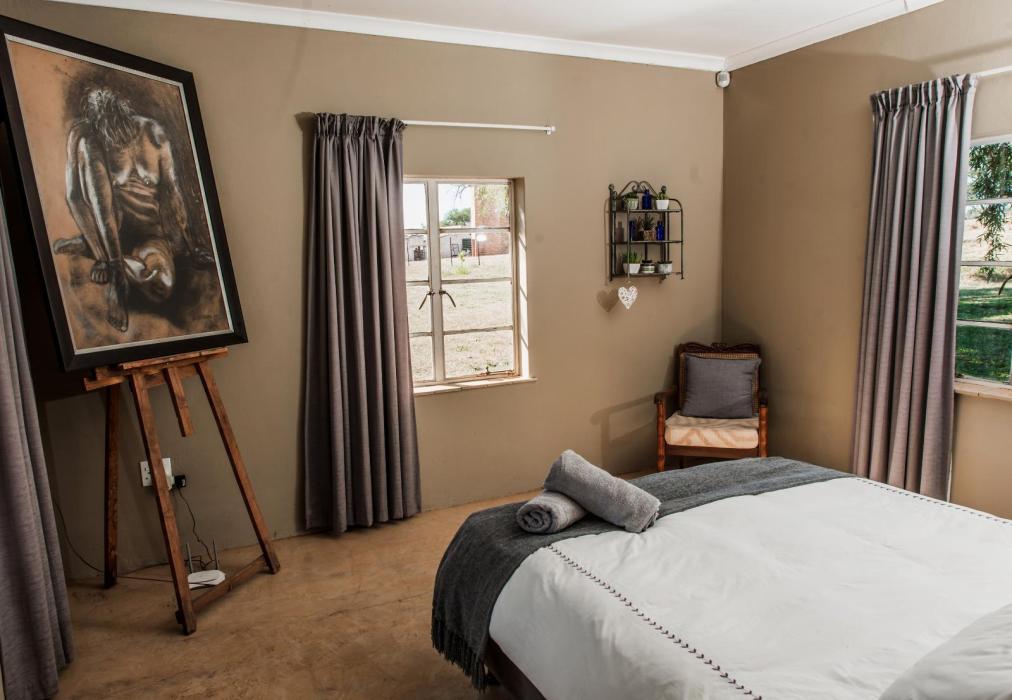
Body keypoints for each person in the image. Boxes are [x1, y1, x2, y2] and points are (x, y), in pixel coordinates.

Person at [53, 87, 212, 332]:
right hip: (111, 228)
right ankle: (97, 249)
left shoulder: (154, 134)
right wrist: (114, 274)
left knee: (162, 286)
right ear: (99, 127)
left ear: (127, 116)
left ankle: (86, 247)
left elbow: (173, 193)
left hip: (148, 234)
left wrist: (192, 246)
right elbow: (96, 208)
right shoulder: (91, 142)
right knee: (89, 156)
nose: (118, 142)